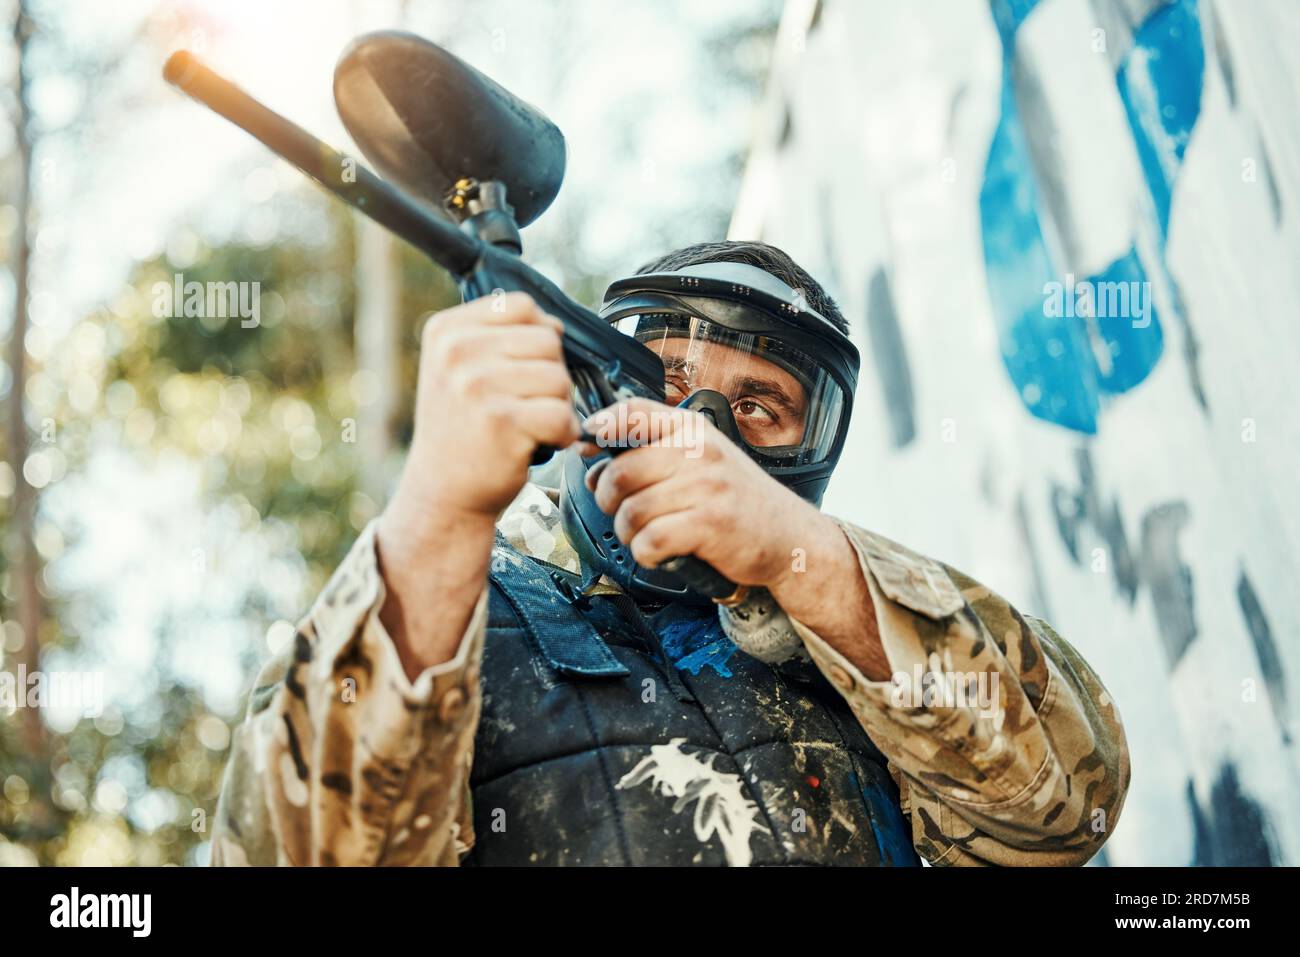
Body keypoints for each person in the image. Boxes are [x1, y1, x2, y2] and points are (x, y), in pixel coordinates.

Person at [211, 240, 1130, 866]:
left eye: (760, 405)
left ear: (810, 460)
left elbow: (1063, 812)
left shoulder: (867, 645)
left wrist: (802, 561)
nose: (702, 427)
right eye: (663, 378)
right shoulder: (443, 615)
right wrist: (439, 515)